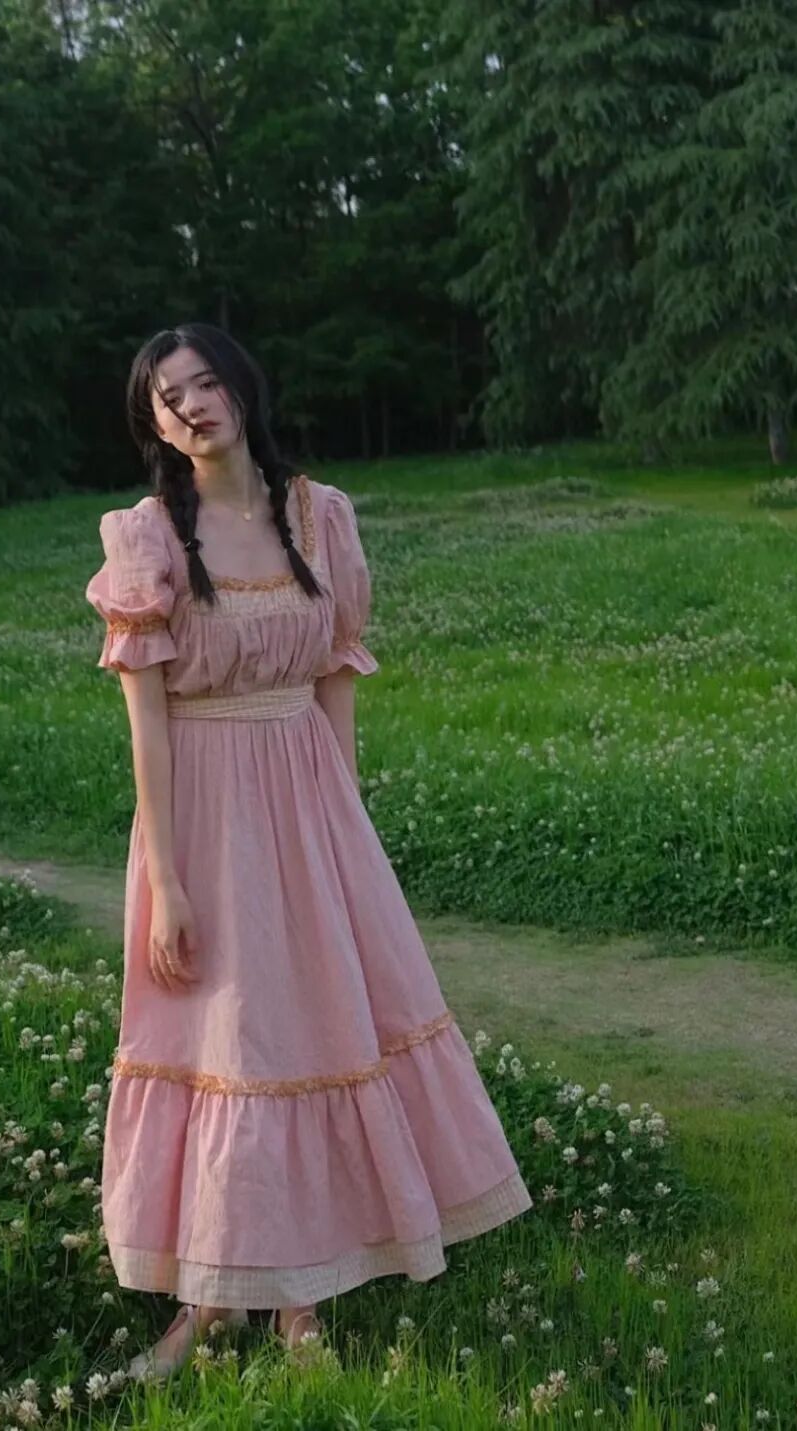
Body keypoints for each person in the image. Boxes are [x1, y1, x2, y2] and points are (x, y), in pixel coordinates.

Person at [84, 321, 532, 1383]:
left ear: (241, 387)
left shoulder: (318, 516)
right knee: (227, 1044)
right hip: (204, 816)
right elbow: (148, 725)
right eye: (167, 398)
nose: (191, 406)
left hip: (309, 803)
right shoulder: (147, 537)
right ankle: (207, 1299)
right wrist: (168, 878)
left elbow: (335, 673)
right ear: (154, 424)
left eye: (204, 383)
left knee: (315, 1031)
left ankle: (301, 1302)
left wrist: (345, 832)